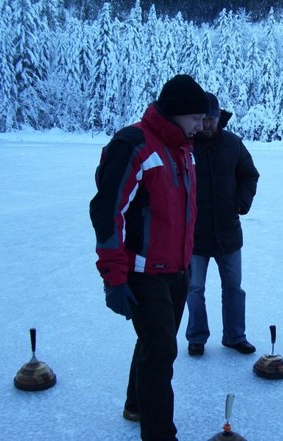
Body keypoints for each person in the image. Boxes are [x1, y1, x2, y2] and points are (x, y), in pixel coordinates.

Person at [89, 74, 209, 441]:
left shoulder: (183, 148)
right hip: (144, 274)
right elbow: (107, 212)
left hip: (177, 271)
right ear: (177, 113)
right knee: (160, 356)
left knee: (153, 344)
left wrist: (186, 264)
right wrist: (114, 278)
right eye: (197, 118)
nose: (202, 126)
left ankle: (135, 405)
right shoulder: (135, 144)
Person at [185, 92, 260, 356]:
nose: (206, 125)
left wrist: (241, 202)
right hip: (193, 235)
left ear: (219, 118)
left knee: (233, 289)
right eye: (203, 119)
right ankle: (196, 337)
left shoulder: (233, 143)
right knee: (194, 289)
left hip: (228, 232)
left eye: (211, 119)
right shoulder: (186, 146)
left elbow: (250, 175)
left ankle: (235, 336)